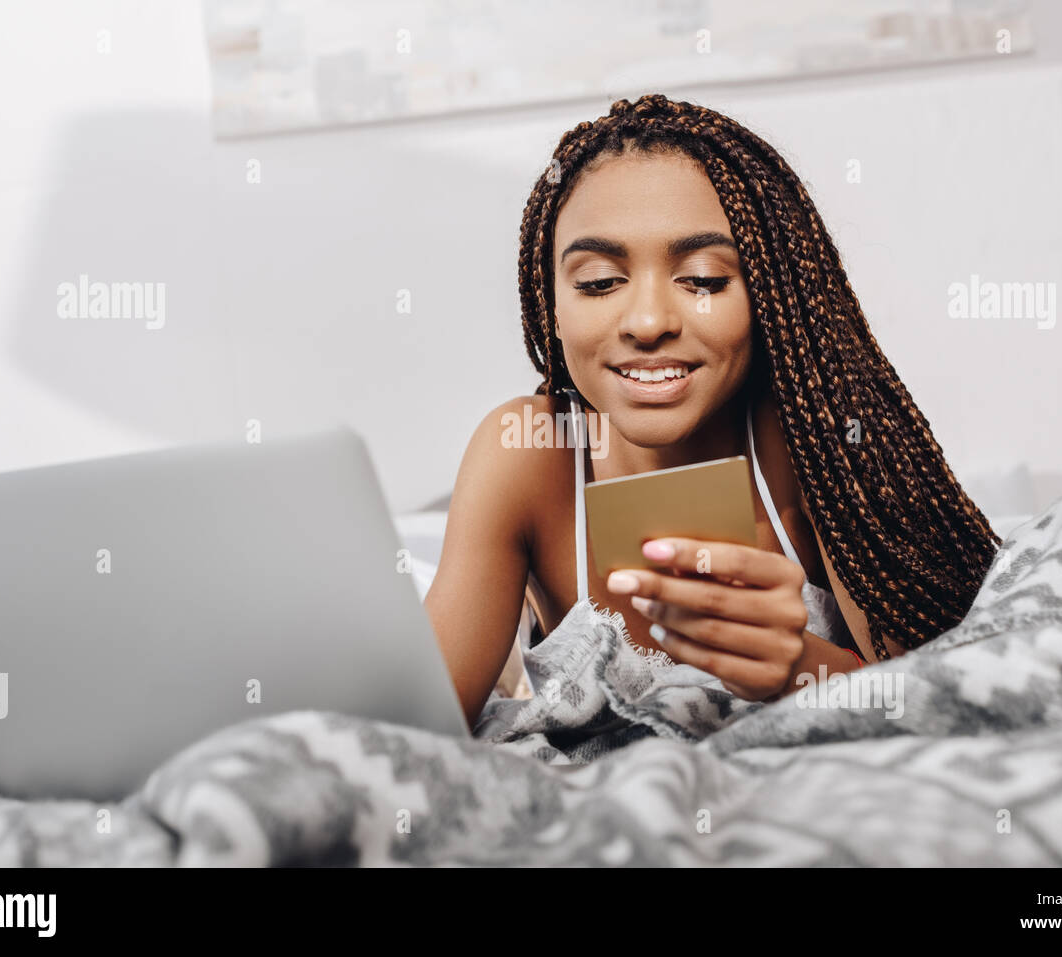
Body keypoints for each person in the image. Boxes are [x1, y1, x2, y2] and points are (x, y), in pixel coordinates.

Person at [425, 94, 1000, 729]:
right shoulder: (528, 456)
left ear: (768, 293)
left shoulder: (812, 439)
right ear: (550, 301)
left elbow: (945, 711)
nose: (647, 323)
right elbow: (409, 732)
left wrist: (796, 667)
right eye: (597, 283)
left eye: (702, 279)